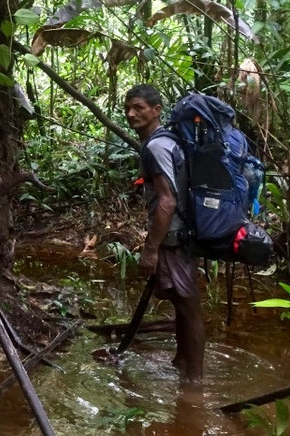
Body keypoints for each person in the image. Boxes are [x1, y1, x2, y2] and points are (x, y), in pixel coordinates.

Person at [124, 84, 205, 382]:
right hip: (184, 234)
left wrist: (150, 248)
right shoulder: (168, 141)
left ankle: (194, 383)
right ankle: (181, 364)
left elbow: (167, 201)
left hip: (173, 237)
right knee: (183, 305)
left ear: (157, 111)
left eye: (139, 107)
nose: (131, 114)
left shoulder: (156, 147)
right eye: (128, 108)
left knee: (188, 305)